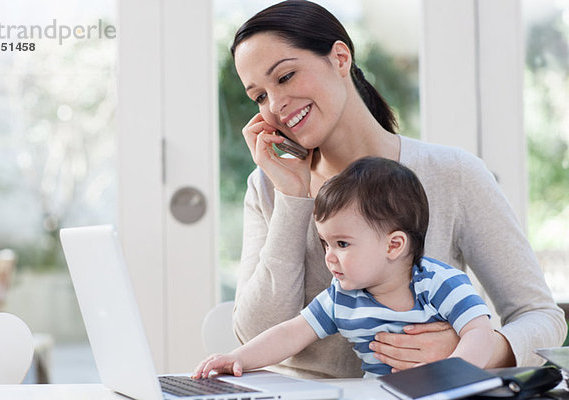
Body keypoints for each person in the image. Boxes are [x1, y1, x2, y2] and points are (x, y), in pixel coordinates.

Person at [231, 0, 566, 379]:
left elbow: (541, 317)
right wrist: (293, 199)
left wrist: (472, 351)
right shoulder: (269, 185)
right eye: (259, 96)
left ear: (340, 58)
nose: (275, 105)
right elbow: (254, 336)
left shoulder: (452, 173)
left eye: (286, 77)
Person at [194, 157, 496, 378]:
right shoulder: (342, 297)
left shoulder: (440, 284)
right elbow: (289, 334)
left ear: (394, 245)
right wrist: (237, 358)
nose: (329, 256)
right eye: (326, 244)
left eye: (342, 244)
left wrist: (455, 376)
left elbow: (479, 332)